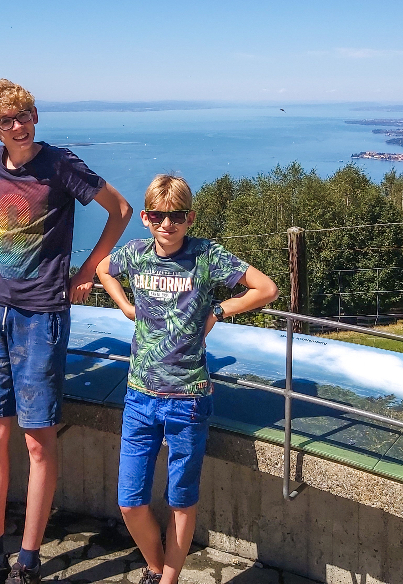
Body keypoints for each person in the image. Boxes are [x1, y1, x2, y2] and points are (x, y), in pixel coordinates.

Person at [0, 79, 132, 584]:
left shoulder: (60, 164)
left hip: (41, 314)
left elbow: (120, 210)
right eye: (9, 119)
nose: (20, 125)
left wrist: (86, 273)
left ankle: (28, 559)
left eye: (27, 114)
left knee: (38, 440)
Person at [96, 174, 278, 584]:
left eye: (176, 216)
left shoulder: (207, 256)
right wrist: (126, 307)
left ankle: (168, 579)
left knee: (181, 500)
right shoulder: (135, 254)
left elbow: (266, 288)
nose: (167, 224)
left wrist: (218, 310)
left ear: (190, 217)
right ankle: (157, 566)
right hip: (139, 396)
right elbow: (104, 269)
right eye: (158, 216)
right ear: (144, 217)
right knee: (130, 502)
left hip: (187, 398)